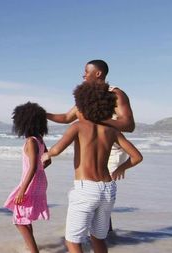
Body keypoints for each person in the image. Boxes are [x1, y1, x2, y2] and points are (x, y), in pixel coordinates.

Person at [41, 81, 143, 253]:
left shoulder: (78, 127)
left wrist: (46, 154)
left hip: (86, 189)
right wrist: (121, 168)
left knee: (73, 241)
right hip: (108, 189)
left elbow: (57, 149)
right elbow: (137, 157)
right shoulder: (112, 130)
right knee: (98, 238)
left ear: (84, 105)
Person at [47, 59, 135, 231]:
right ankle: (100, 235)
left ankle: (101, 235)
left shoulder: (115, 94)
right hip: (88, 144)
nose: (83, 75)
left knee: (98, 192)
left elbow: (129, 125)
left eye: (86, 72)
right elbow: (66, 118)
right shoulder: (87, 97)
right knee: (93, 193)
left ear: (98, 73)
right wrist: (43, 114)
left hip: (109, 148)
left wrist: (98, 121)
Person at [3, 102, 51, 253]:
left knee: (19, 220)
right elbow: (47, 160)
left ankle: (33, 250)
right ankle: (30, 247)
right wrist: (40, 171)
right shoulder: (39, 139)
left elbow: (32, 167)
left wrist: (22, 190)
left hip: (31, 182)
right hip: (40, 180)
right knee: (24, 216)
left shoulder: (31, 141)